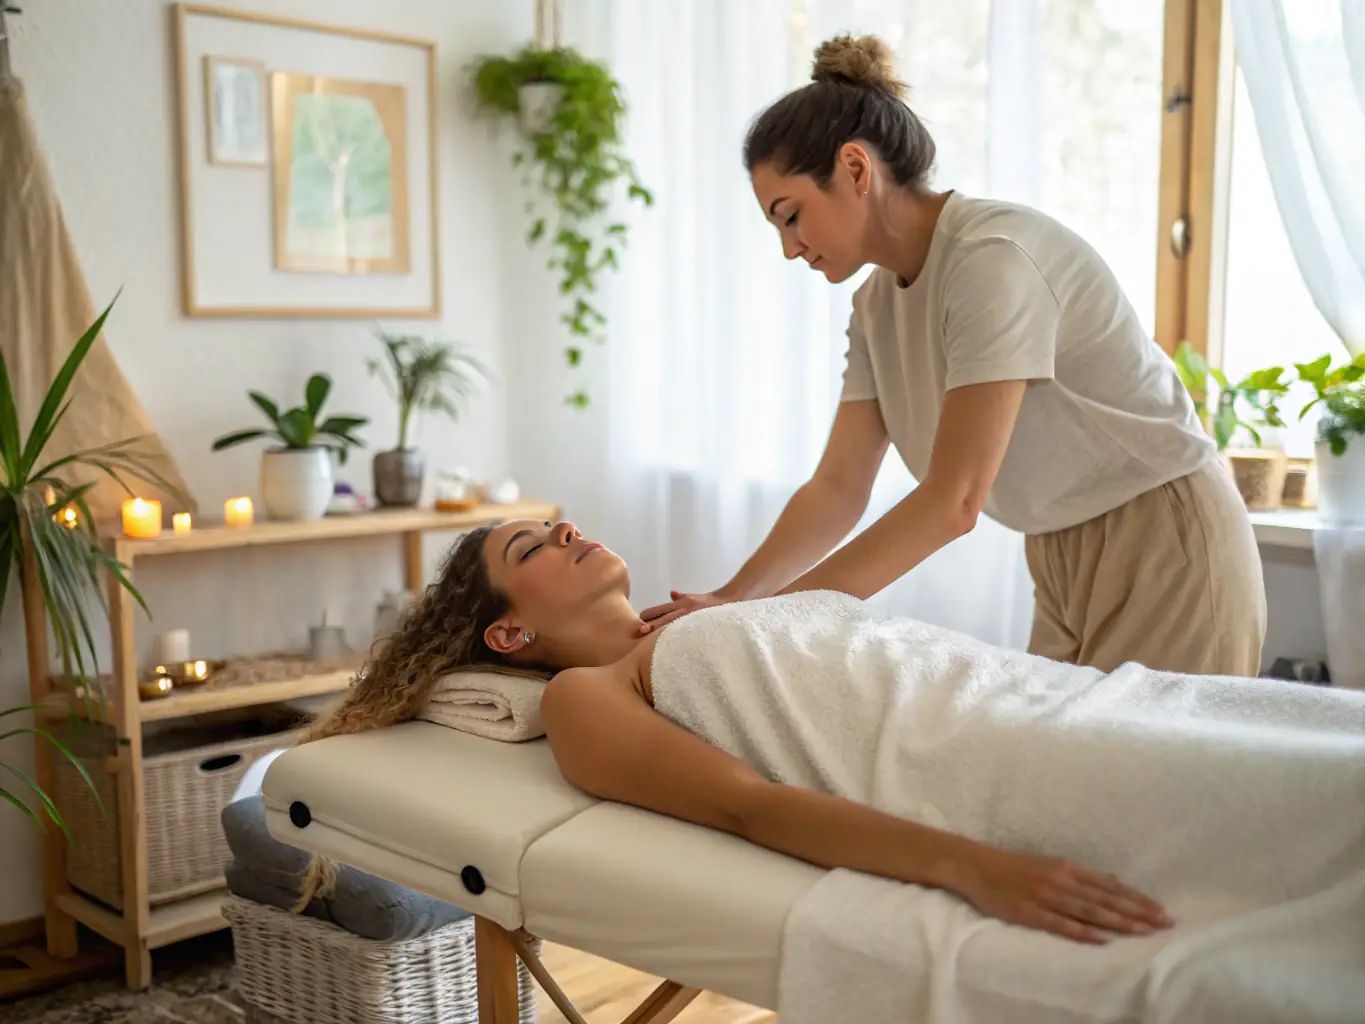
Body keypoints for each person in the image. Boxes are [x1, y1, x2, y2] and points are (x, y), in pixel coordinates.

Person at [296, 519, 1365, 953]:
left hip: (1043, 698)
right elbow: (747, 804)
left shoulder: (692, 619)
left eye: (560, 517)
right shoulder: (586, 696)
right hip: (995, 757)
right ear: (510, 629)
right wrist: (972, 866)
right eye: (535, 542)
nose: (569, 527)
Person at [640, 34, 1267, 678]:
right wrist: (733, 600)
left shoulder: (992, 260)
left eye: (791, 215)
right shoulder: (874, 307)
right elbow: (838, 486)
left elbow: (953, 502)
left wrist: (770, 621)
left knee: (1154, 774)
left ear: (856, 169)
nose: (790, 248)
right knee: (1064, 773)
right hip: (1058, 550)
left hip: (1166, 538)